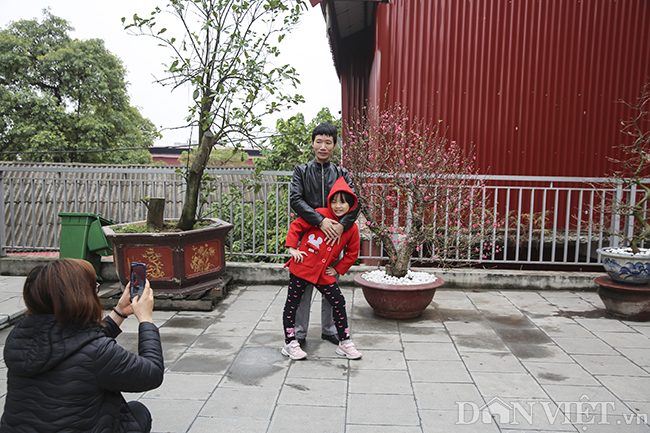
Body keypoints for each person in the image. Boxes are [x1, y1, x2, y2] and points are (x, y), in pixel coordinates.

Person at [0, 258, 164, 433]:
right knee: (138, 412)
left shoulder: (19, 338)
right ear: (80, 297)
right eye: (95, 288)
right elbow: (152, 372)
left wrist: (118, 313)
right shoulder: (98, 354)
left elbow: (74, 342)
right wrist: (146, 319)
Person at [289, 122, 360, 347]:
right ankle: (299, 333)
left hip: (333, 240)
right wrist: (319, 221)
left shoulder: (342, 173)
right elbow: (295, 199)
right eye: (319, 141)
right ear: (312, 143)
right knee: (302, 288)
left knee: (331, 284)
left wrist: (341, 226)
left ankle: (330, 329)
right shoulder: (302, 171)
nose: (323, 146)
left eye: (328, 142)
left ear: (334, 145)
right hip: (308, 238)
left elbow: (355, 203)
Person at [282, 176, 362, 360]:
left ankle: (344, 342)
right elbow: (296, 226)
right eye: (334, 201)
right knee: (292, 304)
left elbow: (352, 253)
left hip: (323, 274)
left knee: (338, 302)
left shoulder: (351, 228)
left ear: (351, 204)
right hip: (301, 269)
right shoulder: (320, 214)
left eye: (342, 202)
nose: (337, 206)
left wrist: (338, 269)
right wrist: (293, 248)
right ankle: (290, 342)